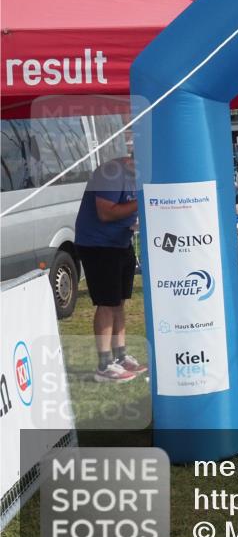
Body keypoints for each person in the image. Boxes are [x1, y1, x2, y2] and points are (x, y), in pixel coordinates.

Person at [74, 155, 146, 383]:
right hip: (97, 245)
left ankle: (120, 357)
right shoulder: (110, 173)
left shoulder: (136, 175)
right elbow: (105, 212)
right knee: (106, 304)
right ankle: (104, 365)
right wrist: (143, 200)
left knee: (118, 302)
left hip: (120, 242)